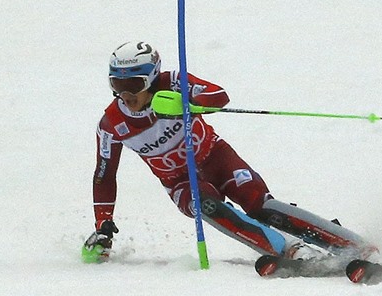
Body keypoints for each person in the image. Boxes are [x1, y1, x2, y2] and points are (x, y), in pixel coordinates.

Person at [83, 41, 347, 264]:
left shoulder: (174, 83)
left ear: (152, 78)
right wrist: (103, 224)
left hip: (216, 157)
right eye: (117, 85)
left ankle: (341, 240)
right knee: (207, 205)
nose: (126, 95)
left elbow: (219, 95)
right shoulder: (111, 124)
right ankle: (289, 249)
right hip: (180, 182)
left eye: (134, 84)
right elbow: (104, 176)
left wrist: (189, 103)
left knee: (259, 204)